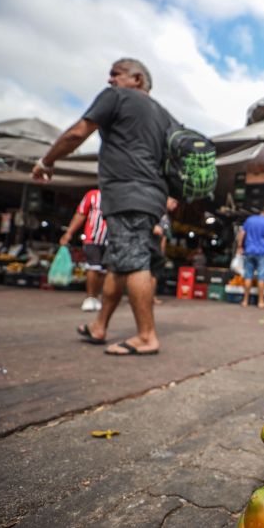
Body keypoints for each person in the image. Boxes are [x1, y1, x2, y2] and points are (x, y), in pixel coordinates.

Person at [32, 58, 173, 356]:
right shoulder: (164, 114)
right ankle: (99, 326)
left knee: (134, 262)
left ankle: (147, 336)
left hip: (128, 194)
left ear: (136, 79)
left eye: (116, 74)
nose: (110, 80)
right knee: (120, 262)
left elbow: (76, 133)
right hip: (150, 196)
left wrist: (47, 161)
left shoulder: (117, 97)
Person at [60, 188, 108, 312]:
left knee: (104, 270)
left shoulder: (120, 194)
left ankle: (96, 297)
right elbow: (80, 214)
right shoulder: (92, 195)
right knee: (93, 267)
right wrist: (69, 233)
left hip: (111, 240)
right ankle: (90, 297)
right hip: (92, 238)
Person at [236, 204, 264, 308]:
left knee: (248, 276)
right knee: (261, 277)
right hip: (262, 252)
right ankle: (261, 301)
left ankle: (245, 301)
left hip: (249, 251)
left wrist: (240, 246)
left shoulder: (250, 219)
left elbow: (242, 233)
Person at [151, 196, 178, 305]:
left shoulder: (164, 216)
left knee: (152, 274)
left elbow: (165, 237)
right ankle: (150, 297)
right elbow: (161, 236)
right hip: (152, 249)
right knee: (152, 275)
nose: (175, 205)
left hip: (154, 249)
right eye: (173, 202)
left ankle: (150, 296)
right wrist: (161, 253)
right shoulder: (159, 214)